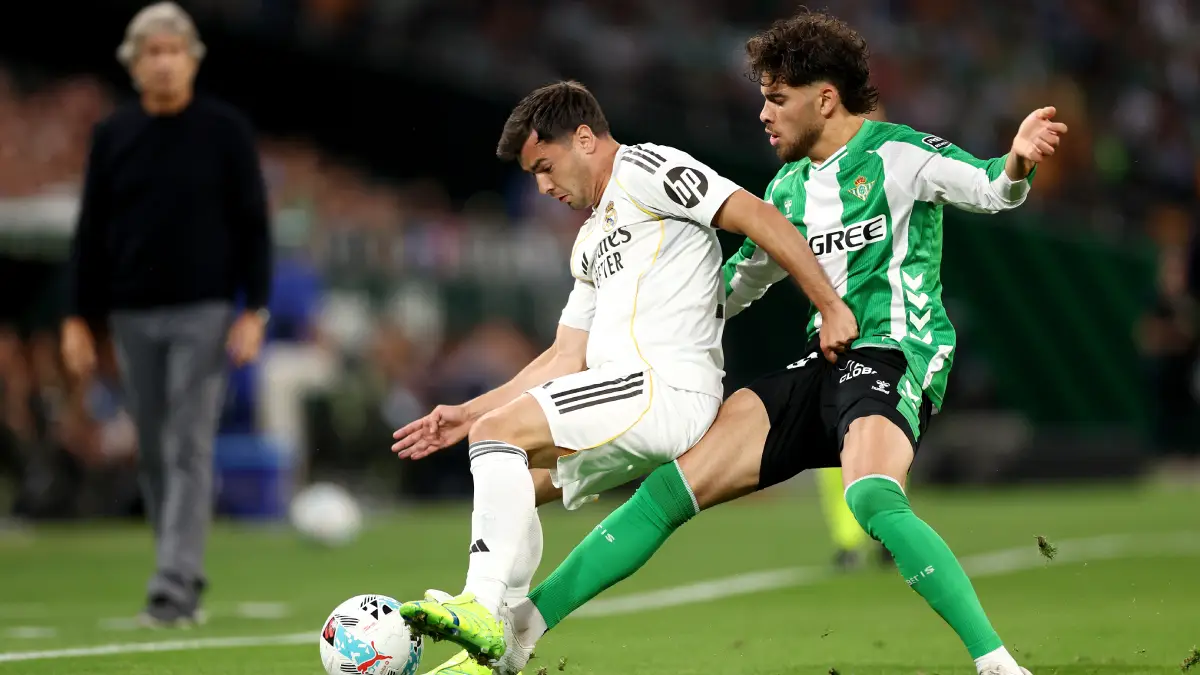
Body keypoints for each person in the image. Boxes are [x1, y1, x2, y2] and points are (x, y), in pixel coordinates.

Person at [410, 11, 1067, 675]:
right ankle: (517, 633)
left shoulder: (900, 155)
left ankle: (996, 662)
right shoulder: (788, 187)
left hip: (895, 351)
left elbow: (992, 190)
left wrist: (1016, 159)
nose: (763, 113)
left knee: (868, 496)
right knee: (667, 491)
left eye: (776, 98)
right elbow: (734, 284)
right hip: (822, 360)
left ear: (825, 98)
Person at [389, 79, 858, 667]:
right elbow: (564, 357)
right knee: (519, 479)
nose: (543, 186)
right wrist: (470, 410)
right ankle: (499, 650)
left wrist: (829, 305)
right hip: (625, 393)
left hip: (663, 385)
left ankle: (480, 607)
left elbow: (759, 216)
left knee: (497, 440)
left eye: (545, 166)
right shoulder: (588, 240)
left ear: (584, 139)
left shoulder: (647, 169)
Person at [61, 1, 271, 627]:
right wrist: (78, 317)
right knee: (153, 448)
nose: (163, 61)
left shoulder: (225, 131)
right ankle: (180, 572)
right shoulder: (113, 135)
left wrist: (253, 310)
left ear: (192, 59)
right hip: (131, 313)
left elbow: (254, 227)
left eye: (173, 49)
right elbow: (90, 233)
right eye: (151, 51)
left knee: (186, 441)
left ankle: (172, 584)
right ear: (133, 63)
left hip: (205, 310)